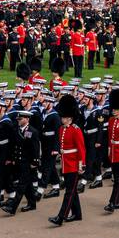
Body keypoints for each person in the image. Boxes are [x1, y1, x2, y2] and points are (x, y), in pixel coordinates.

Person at [49, 94, 84, 226]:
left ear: (69, 118)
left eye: (63, 117)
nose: (62, 119)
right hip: (66, 163)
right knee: (72, 190)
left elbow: (81, 149)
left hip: (74, 164)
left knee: (69, 192)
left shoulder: (76, 130)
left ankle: (61, 216)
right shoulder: (61, 129)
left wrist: (81, 165)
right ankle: (77, 214)